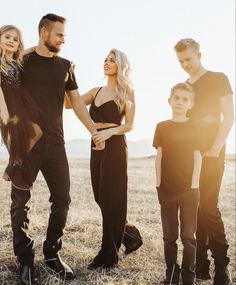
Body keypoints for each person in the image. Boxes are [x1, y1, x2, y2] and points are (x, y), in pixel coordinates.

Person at [9, 14, 100, 285]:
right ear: (44, 32)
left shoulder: (65, 66)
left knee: (62, 199)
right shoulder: (22, 62)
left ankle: (52, 254)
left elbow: (77, 105)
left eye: (64, 36)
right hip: (26, 145)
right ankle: (25, 260)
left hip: (56, 145)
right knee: (20, 203)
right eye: (59, 34)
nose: (63, 40)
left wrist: (94, 131)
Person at [75, 48, 143, 269]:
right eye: (105, 59)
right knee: (100, 197)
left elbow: (130, 124)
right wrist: (70, 79)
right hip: (95, 143)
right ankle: (130, 236)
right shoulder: (96, 91)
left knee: (111, 198)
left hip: (114, 144)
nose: (107, 62)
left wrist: (109, 132)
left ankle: (108, 254)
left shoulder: (126, 91)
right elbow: (70, 103)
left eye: (112, 60)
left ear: (120, 66)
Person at [174, 38, 234, 285]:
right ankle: (200, 265)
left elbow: (229, 117)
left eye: (188, 59)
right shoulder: (183, 87)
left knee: (209, 207)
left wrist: (215, 149)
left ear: (200, 54)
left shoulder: (218, 78)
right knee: (194, 209)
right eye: (180, 61)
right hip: (188, 156)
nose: (185, 64)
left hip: (212, 152)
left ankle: (222, 265)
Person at [153, 83, 202, 285]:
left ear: (191, 104)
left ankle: (189, 277)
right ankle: (172, 275)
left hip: (190, 191)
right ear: (170, 100)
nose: (180, 102)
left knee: (188, 237)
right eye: (177, 98)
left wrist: (194, 186)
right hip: (167, 190)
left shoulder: (195, 126)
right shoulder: (162, 126)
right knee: (169, 237)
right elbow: (159, 157)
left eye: (185, 99)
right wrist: (158, 185)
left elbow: (198, 157)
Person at [0, 25, 42, 191]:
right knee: (13, 140)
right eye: (7, 37)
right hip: (6, 107)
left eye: (15, 39)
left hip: (21, 106)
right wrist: (4, 114)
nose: (11, 41)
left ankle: (12, 166)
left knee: (36, 132)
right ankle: (17, 178)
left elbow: (32, 50)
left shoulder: (17, 62)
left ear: (19, 45)